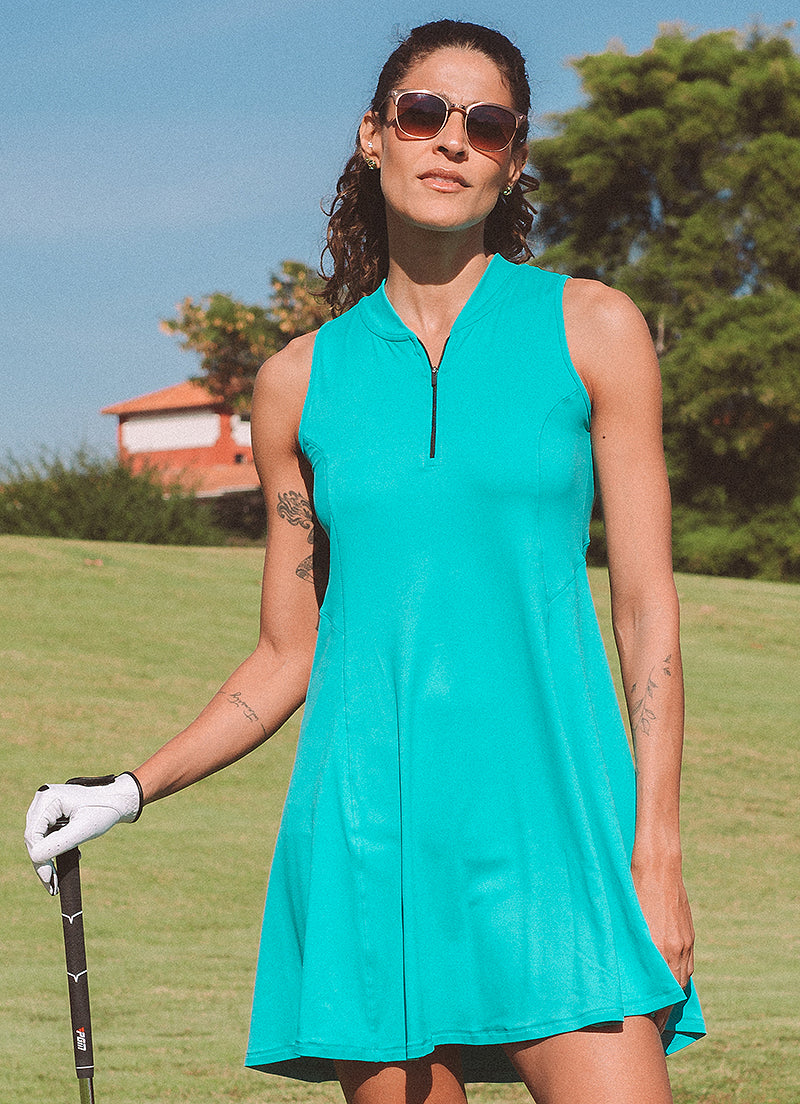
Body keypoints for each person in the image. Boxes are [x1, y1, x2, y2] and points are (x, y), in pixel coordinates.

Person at [25, 19, 705, 1104]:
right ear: (373, 136)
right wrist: (130, 787)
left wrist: (656, 850)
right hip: (367, 841)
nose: (452, 140)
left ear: (513, 159)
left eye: (487, 125)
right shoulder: (296, 383)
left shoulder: (593, 327)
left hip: (560, 835)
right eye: (422, 113)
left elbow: (644, 611)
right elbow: (284, 655)